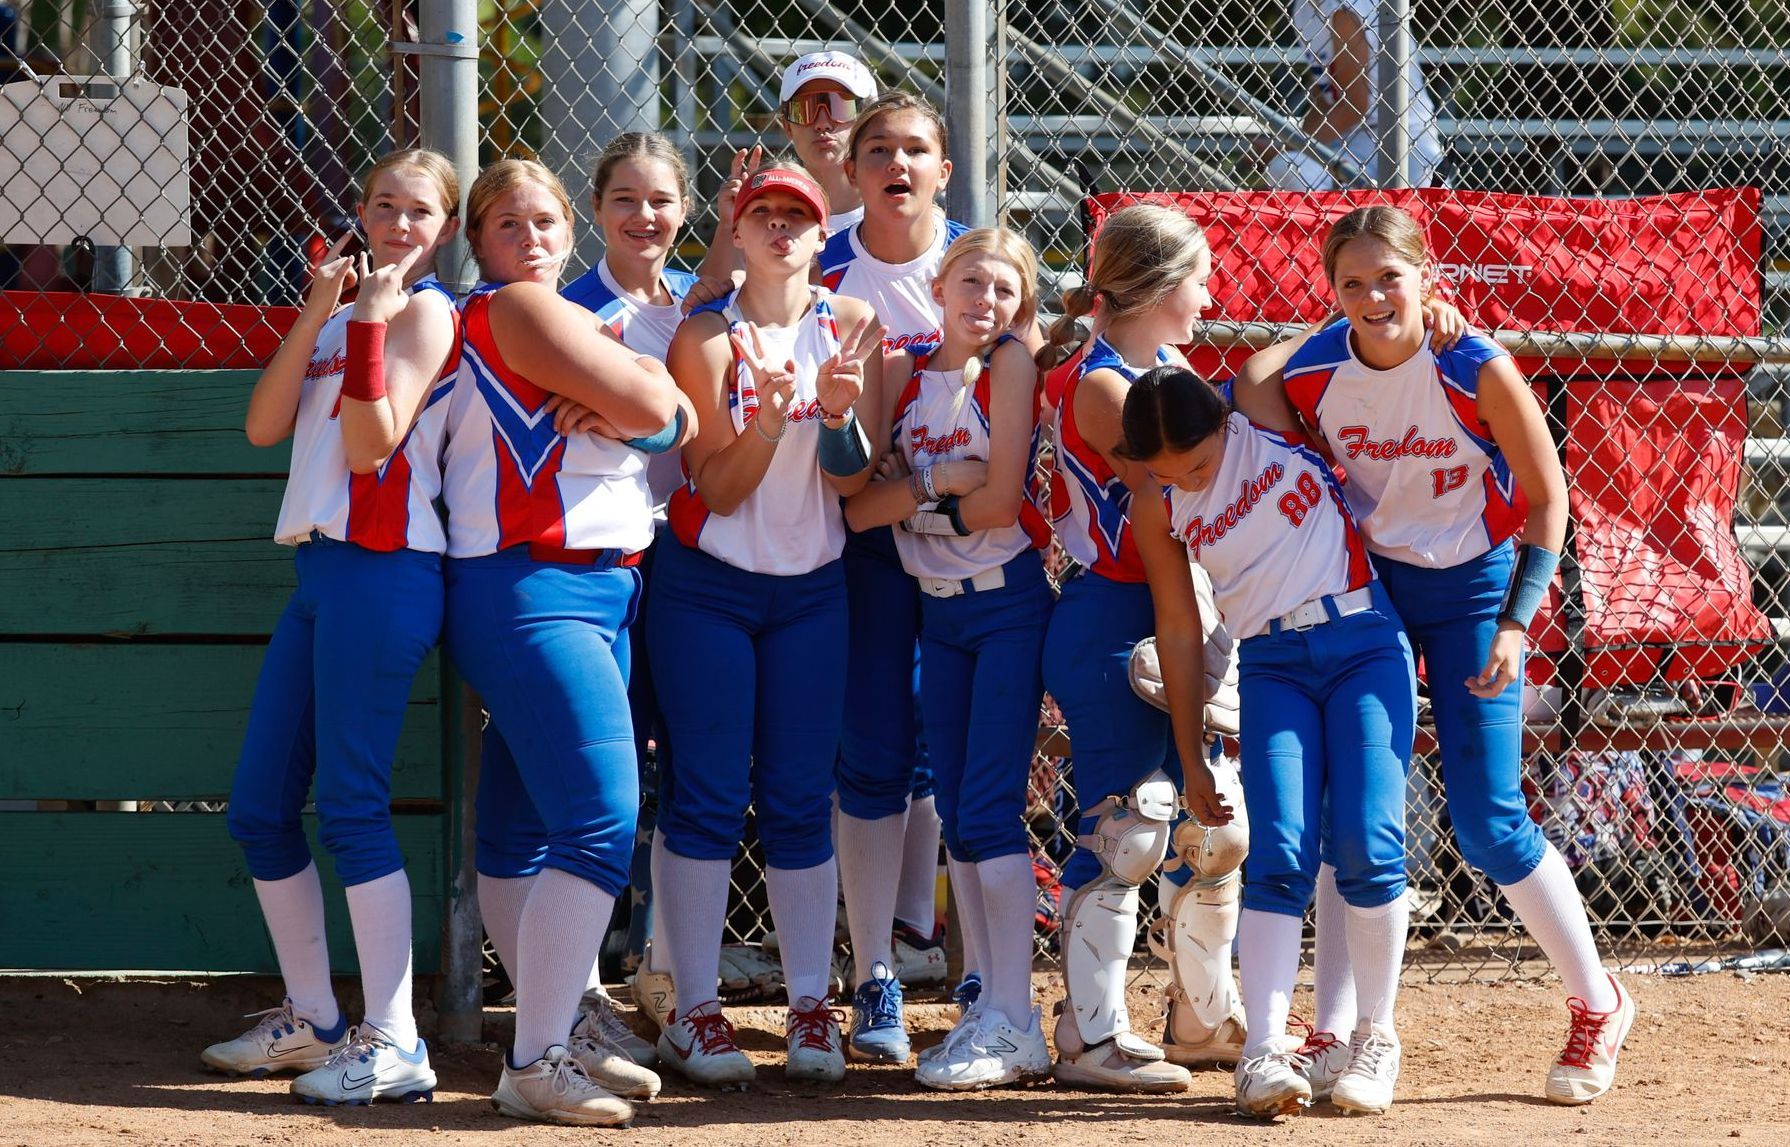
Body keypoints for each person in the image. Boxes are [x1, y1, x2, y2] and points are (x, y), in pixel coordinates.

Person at [1236, 204, 1636, 1106]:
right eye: (1353, 282)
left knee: (1490, 820)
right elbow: (1253, 385)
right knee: (1352, 807)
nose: (1375, 296)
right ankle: (1336, 1031)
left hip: (1474, 592)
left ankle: (1599, 999)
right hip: (1370, 591)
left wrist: (1516, 620)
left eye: (1392, 277)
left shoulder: (1474, 365)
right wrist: (1354, 323)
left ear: (1429, 276)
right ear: (1331, 293)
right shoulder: (1319, 366)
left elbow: (1547, 499)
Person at [205, 148, 462, 1106]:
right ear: (360, 211)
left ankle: (394, 1038)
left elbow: (371, 440)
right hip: (320, 570)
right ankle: (313, 1021)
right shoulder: (343, 312)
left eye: (420, 213)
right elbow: (264, 427)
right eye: (384, 206)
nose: (398, 225)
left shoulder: (427, 310)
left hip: (385, 568)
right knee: (262, 811)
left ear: (443, 229)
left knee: (351, 806)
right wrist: (322, 309)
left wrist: (365, 318)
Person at [442, 158, 685, 1126]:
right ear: (480, 241)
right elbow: (664, 416)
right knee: (597, 817)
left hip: (593, 584)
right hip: (533, 584)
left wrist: (649, 394)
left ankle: (557, 1027)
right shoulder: (524, 310)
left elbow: (673, 414)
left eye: (545, 221)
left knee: (516, 823)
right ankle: (537, 1055)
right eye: (508, 223)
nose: (532, 238)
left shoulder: (558, 313)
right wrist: (646, 393)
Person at [1121, 364, 1418, 1118]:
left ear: (1221, 422)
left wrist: (1426, 320)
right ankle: (1263, 1054)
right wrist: (1189, 754)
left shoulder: (1257, 408)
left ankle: (1374, 1036)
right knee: (1281, 850)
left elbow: (1320, 345)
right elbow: (1181, 628)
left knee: (1368, 841)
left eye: (1197, 462)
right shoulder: (1157, 502)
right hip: (1274, 664)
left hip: (1362, 641)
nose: (1185, 479)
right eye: (1164, 471)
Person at [650, 166, 882, 1088]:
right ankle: (696, 1010)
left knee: (796, 795)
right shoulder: (707, 335)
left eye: (798, 217)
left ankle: (810, 1003)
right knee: (705, 792)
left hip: (813, 588)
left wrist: (831, 416)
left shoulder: (851, 323)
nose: (781, 228)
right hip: (709, 584)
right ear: (736, 235)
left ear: (821, 238)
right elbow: (716, 486)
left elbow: (853, 480)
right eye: (763, 216)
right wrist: (776, 416)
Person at [1033, 203, 1242, 1091]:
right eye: (1197, 277)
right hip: (1115, 612)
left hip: (1174, 608)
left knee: (1211, 824)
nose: (1208, 293)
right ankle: (1089, 1035)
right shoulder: (1106, 383)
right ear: (1158, 287)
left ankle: (1201, 1018)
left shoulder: (1167, 366)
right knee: (1129, 827)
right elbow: (1194, 493)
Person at [845, 228, 1055, 1089]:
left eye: (1006, 290)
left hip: (1006, 605)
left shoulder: (1008, 365)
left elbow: (1002, 499)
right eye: (972, 281)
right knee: (964, 815)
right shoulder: (902, 372)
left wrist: (918, 505)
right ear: (939, 283)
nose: (986, 301)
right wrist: (938, 485)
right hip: (939, 615)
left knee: (989, 810)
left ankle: (1015, 1012)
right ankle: (992, 1005)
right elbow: (860, 511)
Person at [819, 89, 973, 1063]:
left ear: (942, 169)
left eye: (916, 148)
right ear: (852, 166)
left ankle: (980, 978)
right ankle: (871, 972)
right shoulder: (825, 265)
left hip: (963, 541)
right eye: (878, 148)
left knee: (964, 762)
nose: (897, 164)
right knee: (871, 754)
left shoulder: (975, 263)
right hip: (862, 542)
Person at [1260, 0, 1444, 189]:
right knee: (1289, 167)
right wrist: (1290, 146)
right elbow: (1324, 99)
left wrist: (1285, 147)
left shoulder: (1342, 7)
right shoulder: (1303, 8)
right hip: (1351, 138)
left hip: (1405, 133)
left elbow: (1355, 106)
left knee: (1418, 209)